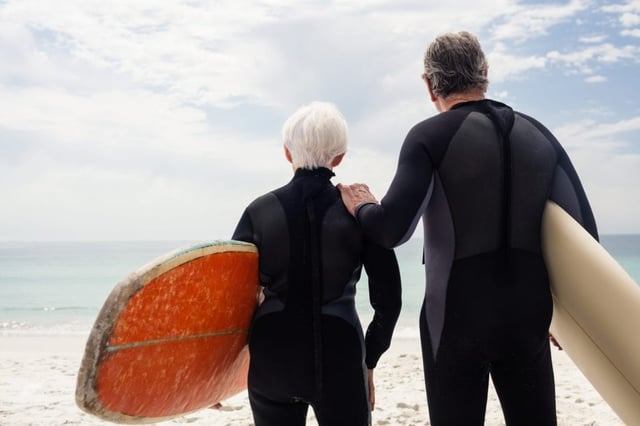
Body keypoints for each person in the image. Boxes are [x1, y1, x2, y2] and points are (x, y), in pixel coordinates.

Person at [338, 32, 598, 426]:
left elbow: (392, 230)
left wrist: (363, 206)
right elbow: (585, 238)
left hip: (455, 318)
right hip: (527, 314)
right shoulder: (540, 136)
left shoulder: (428, 137)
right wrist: (571, 318)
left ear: (429, 86)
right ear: (486, 73)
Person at [232, 101, 402, 426]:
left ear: (286, 152)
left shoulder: (258, 211)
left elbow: (231, 297)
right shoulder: (358, 210)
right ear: (339, 157)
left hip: (272, 356)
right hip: (340, 354)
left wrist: (216, 370)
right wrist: (370, 358)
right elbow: (389, 299)